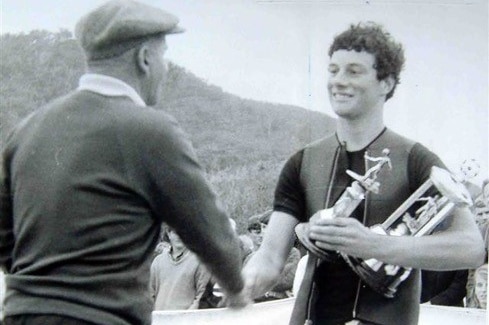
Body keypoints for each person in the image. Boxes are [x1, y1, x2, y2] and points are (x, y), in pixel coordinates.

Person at [0, 1, 248, 325]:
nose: (166, 67)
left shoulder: (27, 130)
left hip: (20, 316)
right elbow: (209, 231)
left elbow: (5, 238)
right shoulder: (151, 130)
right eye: (163, 55)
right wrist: (236, 287)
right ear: (144, 58)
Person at [242, 22, 485, 325]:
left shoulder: (417, 159)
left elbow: (471, 247)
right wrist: (239, 284)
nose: (338, 81)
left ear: (386, 82)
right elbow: (268, 259)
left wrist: (374, 245)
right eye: (333, 71)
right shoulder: (302, 162)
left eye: (354, 71)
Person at [150, 226, 211, 310]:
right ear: (169, 233)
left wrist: (187, 318)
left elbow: (201, 296)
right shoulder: (158, 261)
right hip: (160, 319)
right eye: (175, 232)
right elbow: (149, 294)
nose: (179, 236)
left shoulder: (199, 261)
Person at [246, 210, 301, 302]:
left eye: (265, 227)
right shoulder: (252, 257)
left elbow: (285, 281)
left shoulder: (292, 253)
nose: (263, 232)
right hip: (254, 305)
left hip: (277, 305)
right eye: (261, 227)